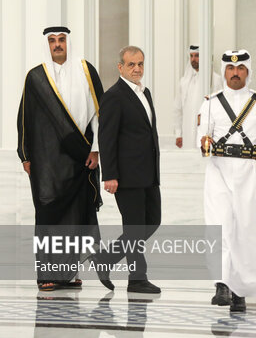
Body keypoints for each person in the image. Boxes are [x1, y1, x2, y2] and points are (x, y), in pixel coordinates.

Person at [17, 26, 103, 292]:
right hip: (45, 160)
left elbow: (102, 114)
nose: (57, 45)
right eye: (52, 41)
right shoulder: (35, 77)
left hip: (80, 155)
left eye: (62, 40)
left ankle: (68, 272)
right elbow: (24, 118)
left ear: (69, 42)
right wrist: (25, 154)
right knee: (48, 216)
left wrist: (96, 149)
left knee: (76, 216)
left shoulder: (86, 70)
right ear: (47, 44)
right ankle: (47, 274)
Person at [197, 49, 256, 312]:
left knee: (246, 230)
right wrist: (204, 143)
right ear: (224, 72)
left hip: (249, 173)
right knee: (219, 226)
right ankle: (221, 283)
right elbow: (202, 139)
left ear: (248, 71)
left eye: (240, 68)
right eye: (231, 69)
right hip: (218, 171)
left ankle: (240, 289)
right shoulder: (210, 103)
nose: (235, 73)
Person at [97, 45, 161, 294]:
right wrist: (109, 174)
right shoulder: (114, 96)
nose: (137, 69)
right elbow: (106, 137)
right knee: (134, 228)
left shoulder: (146, 93)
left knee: (153, 222)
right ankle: (137, 278)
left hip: (149, 173)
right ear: (120, 67)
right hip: (127, 175)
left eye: (141, 64)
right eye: (132, 64)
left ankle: (105, 259)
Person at [173, 45, 223, 149]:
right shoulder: (184, 82)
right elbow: (178, 109)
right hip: (187, 132)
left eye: (197, 56)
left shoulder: (215, 80)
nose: (193, 59)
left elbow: (220, 109)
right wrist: (178, 134)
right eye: (191, 56)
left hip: (208, 133)